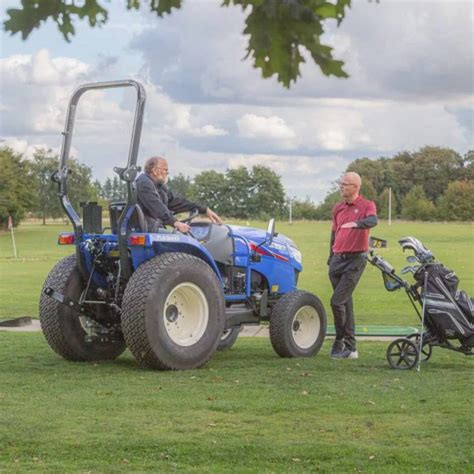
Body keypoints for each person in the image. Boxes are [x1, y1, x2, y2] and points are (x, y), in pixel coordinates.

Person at [328, 172, 377, 359]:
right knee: (345, 304)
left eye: (345, 184)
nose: (341, 186)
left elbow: (373, 221)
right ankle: (351, 348)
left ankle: (340, 341)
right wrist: (330, 257)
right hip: (337, 260)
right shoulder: (338, 208)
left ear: (356, 187)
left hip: (355, 260)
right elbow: (333, 233)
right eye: (340, 183)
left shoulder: (367, 205)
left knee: (337, 301)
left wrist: (355, 224)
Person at [136, 156, 222, 233]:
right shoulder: (144, 183)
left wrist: (203, 209)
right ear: (155, 171)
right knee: (184, 243)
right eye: (165, 170)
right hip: (147, 229)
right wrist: (175, 222)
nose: (167, 173)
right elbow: (156, 206)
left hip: (151, 227)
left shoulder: (159, 187)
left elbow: (177, 202)